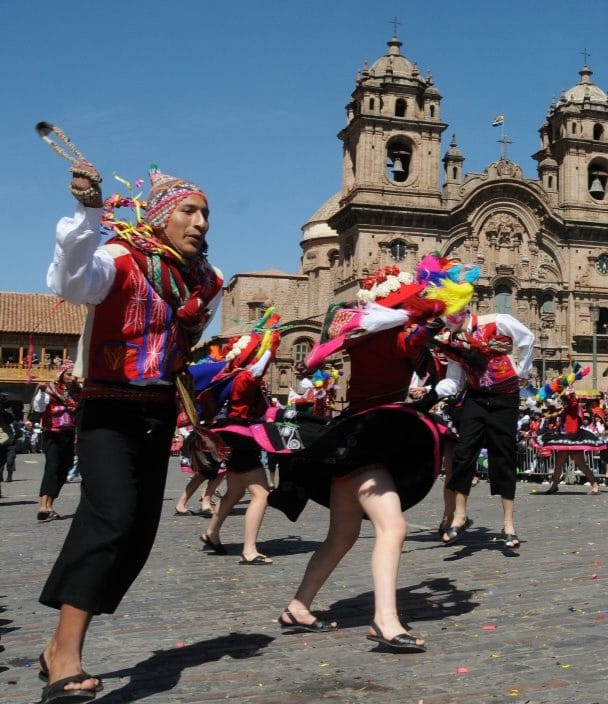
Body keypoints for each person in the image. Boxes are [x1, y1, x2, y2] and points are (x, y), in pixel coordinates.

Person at [38, 162, 223, 702]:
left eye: (206, 213)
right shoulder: (118, 259)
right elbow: (71, 282)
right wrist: (88, 213)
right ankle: (66, 657)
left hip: (158, 408)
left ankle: (56, 645)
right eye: (189, 211)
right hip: (106, 407)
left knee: (137, 534)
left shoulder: (205, 281)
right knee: (110, 517)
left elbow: (183, 347)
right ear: (162, 217)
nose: (200, 222)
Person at [272, 260, 463, 652]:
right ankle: (384, 620)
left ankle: (298, 607)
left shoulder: (363, 335)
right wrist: (439, 312)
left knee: (341, 536)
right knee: (393, 528)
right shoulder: (395, 337)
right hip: (368, 441)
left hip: (351, 436)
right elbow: (414, 342)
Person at [431, 308, 534, 548]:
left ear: (461, 314)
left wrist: (523, 371)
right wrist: (431, 393)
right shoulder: (453, 342)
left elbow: (527, 338)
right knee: (463, 453)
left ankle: (508, 523)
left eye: (449, 318)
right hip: (476, 397)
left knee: (503, 457)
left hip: (505, 399)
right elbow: (455, 380)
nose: (447, 325)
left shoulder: (497, 321)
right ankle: (459, 515)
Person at [191, 309, 283, 564]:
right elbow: (264, 357)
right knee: (261, 494)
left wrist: (265, 330)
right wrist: (270, 334)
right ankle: (249, 549)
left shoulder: (234, 375)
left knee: (234, 492)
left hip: (232, 436)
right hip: (240, 437)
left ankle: (211, 533)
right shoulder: (246, 377)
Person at [33, 361, 80, 522]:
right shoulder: (50, 389)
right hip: (52, 434)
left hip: (69, 434)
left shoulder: (77, 392)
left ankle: (50, 506)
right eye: (69, 374)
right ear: (61, 375)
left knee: (63, 470)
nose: (73, 377)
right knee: (52, 467)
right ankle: (42, 505)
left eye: (74, 374)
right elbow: (39, 408)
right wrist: (40, 392)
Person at [540, 383, 607, 495]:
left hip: (574, 439)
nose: (563, 404)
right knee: (558, 464)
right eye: (563, 402)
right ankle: (554, 485)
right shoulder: (564, 411)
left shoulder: (574, 408)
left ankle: (595, 485)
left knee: (581, 464)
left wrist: (570, 392)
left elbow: (574, 401)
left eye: (564, 402)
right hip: (565, 439)